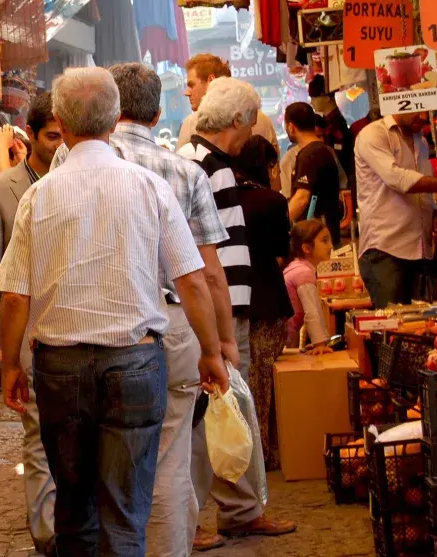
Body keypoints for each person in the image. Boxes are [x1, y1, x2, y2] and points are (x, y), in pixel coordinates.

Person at [0, 66, 228, 557]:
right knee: (126, 509)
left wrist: (12, 363)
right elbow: (191, 278)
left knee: (73, 509)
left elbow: (15, 295)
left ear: (60, 119)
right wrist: (211, 350)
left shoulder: (40, 194)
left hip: (60, 366)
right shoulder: (150, 187)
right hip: (137, 362)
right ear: (113, 118)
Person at [178, 77, 297, 549]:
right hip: (222, 313)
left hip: (225, 310)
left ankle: (240, 509)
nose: (253, 129)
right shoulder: (206, 167)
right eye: (250, 120)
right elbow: (213, 260)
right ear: (235, 121)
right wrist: (223, 330)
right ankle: (213, 513)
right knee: (214, 409)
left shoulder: (209, 163)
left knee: (227, 408)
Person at [0, 92, 62, 556]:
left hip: (78, 325)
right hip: (26, 329)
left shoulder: (80, 179)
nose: (60, 145)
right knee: (39, 434)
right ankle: (48, 535)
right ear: (34, 132)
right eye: (51, 136)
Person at [355, 111, 437, 308]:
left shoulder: (419, 141)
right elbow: (396, 178)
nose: (423, 116)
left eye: (427, 110)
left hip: (420, 250)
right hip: (386, 249)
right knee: (391, 328)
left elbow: (421, 184)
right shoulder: (373, 134)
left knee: (423, 327)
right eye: (419, 109)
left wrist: (433, 211)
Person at [233, 135, 294, 472]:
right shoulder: (272, 201)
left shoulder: (224, 199)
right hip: (268, 298)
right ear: (268, 166)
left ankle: (249, 451)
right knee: (264, 379)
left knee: (245, 378)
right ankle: (266, 452)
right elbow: (281, 250)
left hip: (235, 301)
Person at [177, 54, 279, 154]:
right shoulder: (263, 120)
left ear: (211, 81)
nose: (187, 92)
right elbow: (274, 167)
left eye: (191, 85)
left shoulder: (191, 123)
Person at [285, 102, 344, 248]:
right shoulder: (322, 150)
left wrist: (280, 227)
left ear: (291, 126)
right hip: (324, 237)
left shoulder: (310, 155)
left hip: (316, 241)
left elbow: (302, 198)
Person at [284, 219, 336, 350]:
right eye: (324, 241)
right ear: (306, 248)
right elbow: (312, 312)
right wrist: (320, 344)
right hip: (284, 338)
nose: (331, 246)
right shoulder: (304, 273)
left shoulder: (297, 267)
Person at [308, 75, 355, 195]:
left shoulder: (336, 125)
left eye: (315, 97)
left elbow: (342, 159)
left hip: (341, 185)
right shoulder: (325, 122)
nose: (312, 102)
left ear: (327, 97)